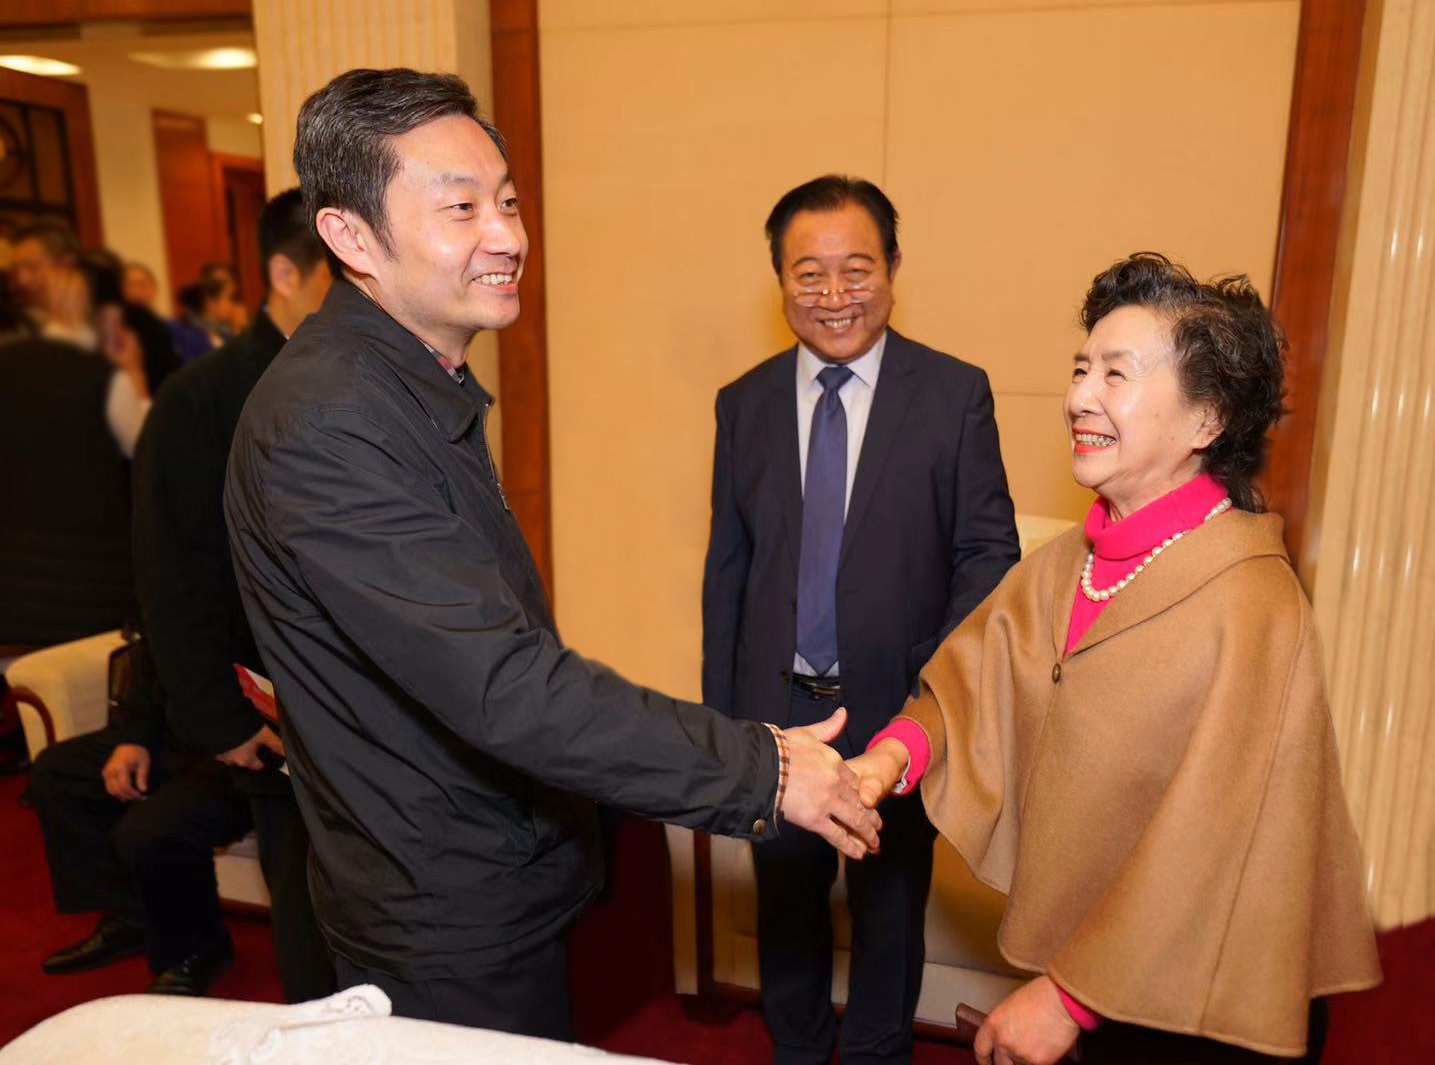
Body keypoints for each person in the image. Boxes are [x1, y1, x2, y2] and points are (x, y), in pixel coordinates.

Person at [223, 67, 880, 1038]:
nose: (506, 236)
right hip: (441, 911)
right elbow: (502, 684)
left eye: (508, 202)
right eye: (461, 209)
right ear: (350, 237)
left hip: (486, 870)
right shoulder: (331, 421)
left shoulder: (404, 384)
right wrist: (764, 770)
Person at [850, 253, 1382, 1065]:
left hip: (1205, 1008)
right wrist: (892, 754)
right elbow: (971, 685)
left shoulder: (1253, 604)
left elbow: (1211, 836)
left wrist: (1066, 998)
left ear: (1205, 419)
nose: (1078, 398)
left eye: (1115, 374)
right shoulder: (1067, 563)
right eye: (1079, 368)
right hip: (1103, 975)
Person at [702, 175, 1020, 1065]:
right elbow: (728, 568)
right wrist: (723, 726)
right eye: (809, 272)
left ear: (893, 267)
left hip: (895, 711)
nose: (834, 293)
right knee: (786, 910)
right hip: (775, 717)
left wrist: (935, 697)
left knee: (888, 914)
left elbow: (987, 557)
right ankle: (799, 1053)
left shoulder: (953, 394)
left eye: (856, 268)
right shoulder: (743, 402)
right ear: (779, 280)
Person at [132, 189, 336, 1003]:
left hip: (376, 695)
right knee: (310, 906)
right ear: (285, 274)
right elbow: (171, 572)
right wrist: (217, 717)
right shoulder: (200, 400)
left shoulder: (374, 378)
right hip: (275, 702)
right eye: (339, 275)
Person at [26, 632, 253, 995]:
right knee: (60, 772)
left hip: (243, 749)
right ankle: (132, 916)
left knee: (152, 830)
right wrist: (134, 738)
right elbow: (149, 665)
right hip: (175, 737)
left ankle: (196, 952)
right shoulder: (165, 601)